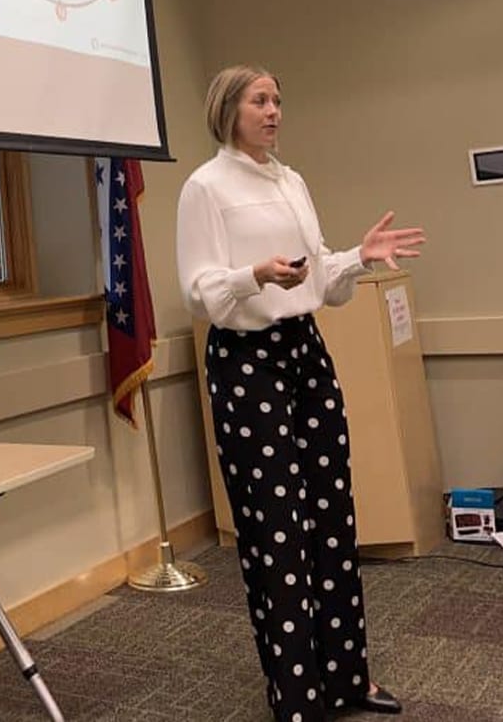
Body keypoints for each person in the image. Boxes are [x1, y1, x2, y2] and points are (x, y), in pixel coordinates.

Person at [176, 65, 424, 722]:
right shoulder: (206, 186)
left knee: (332, 515)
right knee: (275, 529)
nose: (275, 110)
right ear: (228, 109)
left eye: (279, 99)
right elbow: (199, 290)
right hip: (245, 361)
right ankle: (297, 697)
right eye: (261, 99)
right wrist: (253, 275)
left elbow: (315, 275)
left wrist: (356, 257)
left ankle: (346, 678)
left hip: (305, 352)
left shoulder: (292, 181)